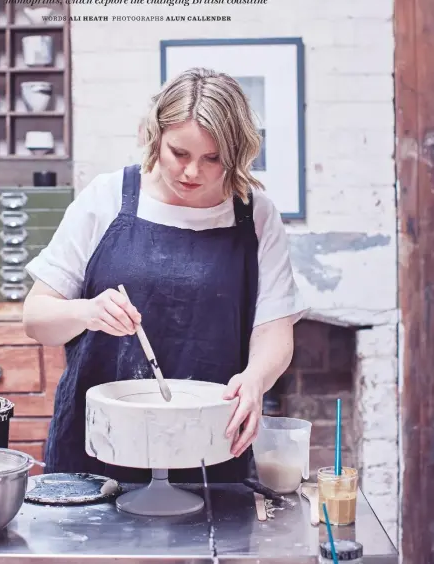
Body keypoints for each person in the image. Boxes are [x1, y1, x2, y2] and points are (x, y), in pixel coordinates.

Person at [23, 67, 308, 483]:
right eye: (180, 153)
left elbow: (275, 331)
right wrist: (87, 312)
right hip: (99, 449)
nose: (193, 172)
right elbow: (36, 319)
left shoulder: (255, 215)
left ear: (237, 151)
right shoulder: (106, 198)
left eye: (213, 159)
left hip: (210, 446)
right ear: (156, 136)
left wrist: (255, 379)